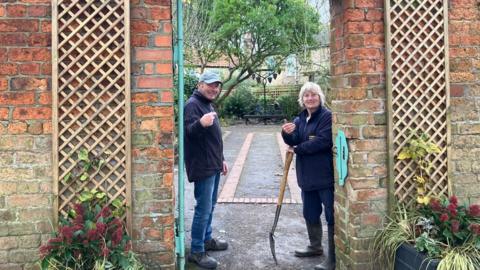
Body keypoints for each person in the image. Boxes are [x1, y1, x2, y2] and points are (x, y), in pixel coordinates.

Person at [281, 82, 335, 270]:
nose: (310, 98)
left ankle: (333, 258)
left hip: (324, 177)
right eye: (306, 96)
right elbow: (294, 138)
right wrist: (286, 134)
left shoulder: (327, 117)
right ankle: (315, 246)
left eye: (314, 95)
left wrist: (297, 148)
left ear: (320, 97)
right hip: (306, 177)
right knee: (310, 213)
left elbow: (322, 141)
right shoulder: (300, 118)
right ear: (302, 99)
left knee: (331, 216)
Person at [184, 70, 229, 269]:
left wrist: (222, 159)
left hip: (213, 163)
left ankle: (206, 239)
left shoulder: (206, 103)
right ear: (200, 84)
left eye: (217, 85)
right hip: (202, 166)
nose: (214, 89)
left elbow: (214, 138)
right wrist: (201, 124)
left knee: (209, 206)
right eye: (210, 84)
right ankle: (197, 251)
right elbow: (188, 133)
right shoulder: (192, 105)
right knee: (203, 209)